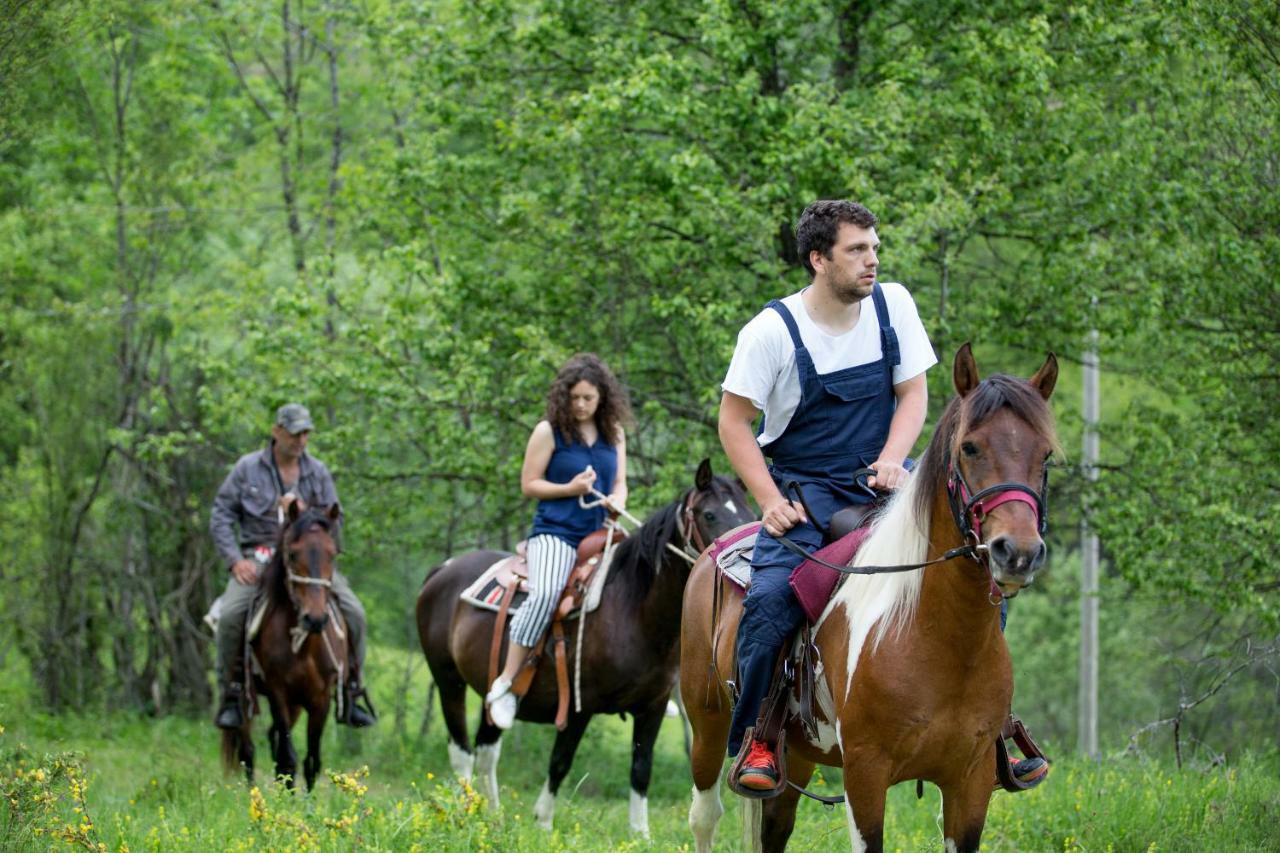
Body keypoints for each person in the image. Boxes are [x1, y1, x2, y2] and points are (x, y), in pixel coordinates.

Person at [719, 200, 938, 790]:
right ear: (819, 259)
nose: (872, 261)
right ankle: (758, 738)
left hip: (884, 478)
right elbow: (734, 422)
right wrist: (767, 500)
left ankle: (990, 727)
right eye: (857, 250)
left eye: (874, 248)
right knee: (768, 602)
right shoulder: (770, 333)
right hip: (804, 490)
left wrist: (893, 458)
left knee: (977, 564)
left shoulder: (894, 304)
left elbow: (913, 393)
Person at [484, 353, 631, 729]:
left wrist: (618, 500)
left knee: (641, 581)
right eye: (574, 397)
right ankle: (506, 683)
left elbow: (620, 483)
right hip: (556, 533)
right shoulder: (549, 431)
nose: (580, 405)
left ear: (602, 399)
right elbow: (529, 484)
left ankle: (642, 677)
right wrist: (570, 488)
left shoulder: (614, 432)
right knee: (547, 593)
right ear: (563, 396)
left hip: (600, 533)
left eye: (588, 398)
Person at [209, 403, 376, 729]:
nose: (301, 440)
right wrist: (235, 561)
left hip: (307, 563)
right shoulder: (247, 468)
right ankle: (231, 694)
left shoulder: (318, 472)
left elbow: (334, 523)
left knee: (355, 613)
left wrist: (306, 515)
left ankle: (351, 690)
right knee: (230, 615)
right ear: (277, 431)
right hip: (258, 558)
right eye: (295, 432)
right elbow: (221, 514)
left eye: (306, 433)